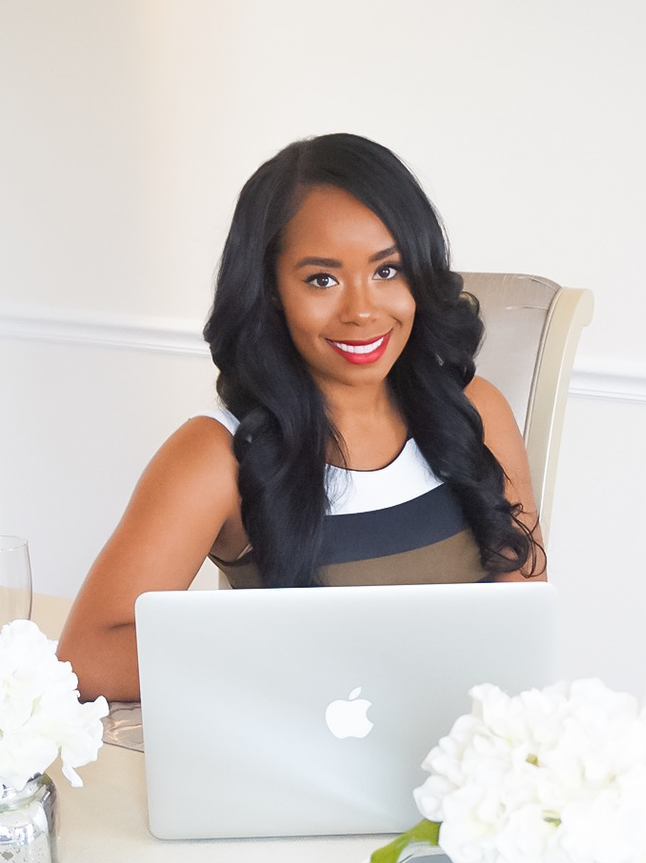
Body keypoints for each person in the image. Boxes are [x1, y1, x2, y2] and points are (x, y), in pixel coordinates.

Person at [58, 132, 546, 703]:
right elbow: (86, 656)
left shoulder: (478, 409)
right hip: (308, 776)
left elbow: (527, 615)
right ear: (269, 291)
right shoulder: (214, 456)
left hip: (470, 765)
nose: (362, 310)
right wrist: (287, 657)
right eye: (323, 279)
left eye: (388, 271)